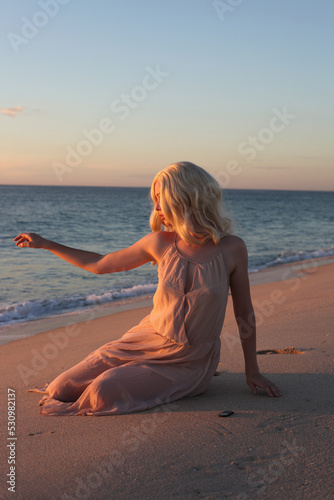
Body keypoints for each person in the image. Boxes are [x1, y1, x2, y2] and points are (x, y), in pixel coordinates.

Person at [14, 162, 281, 416]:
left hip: (189, 360)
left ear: (184, 198)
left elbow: (244, 313)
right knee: (60, 388)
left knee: (104, 389)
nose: (155, 207)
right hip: (144, 340)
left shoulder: (232, 248)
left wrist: (252, 371)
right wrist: (46, 243)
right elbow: (99, 263)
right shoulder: (159, 243)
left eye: (160, 199)